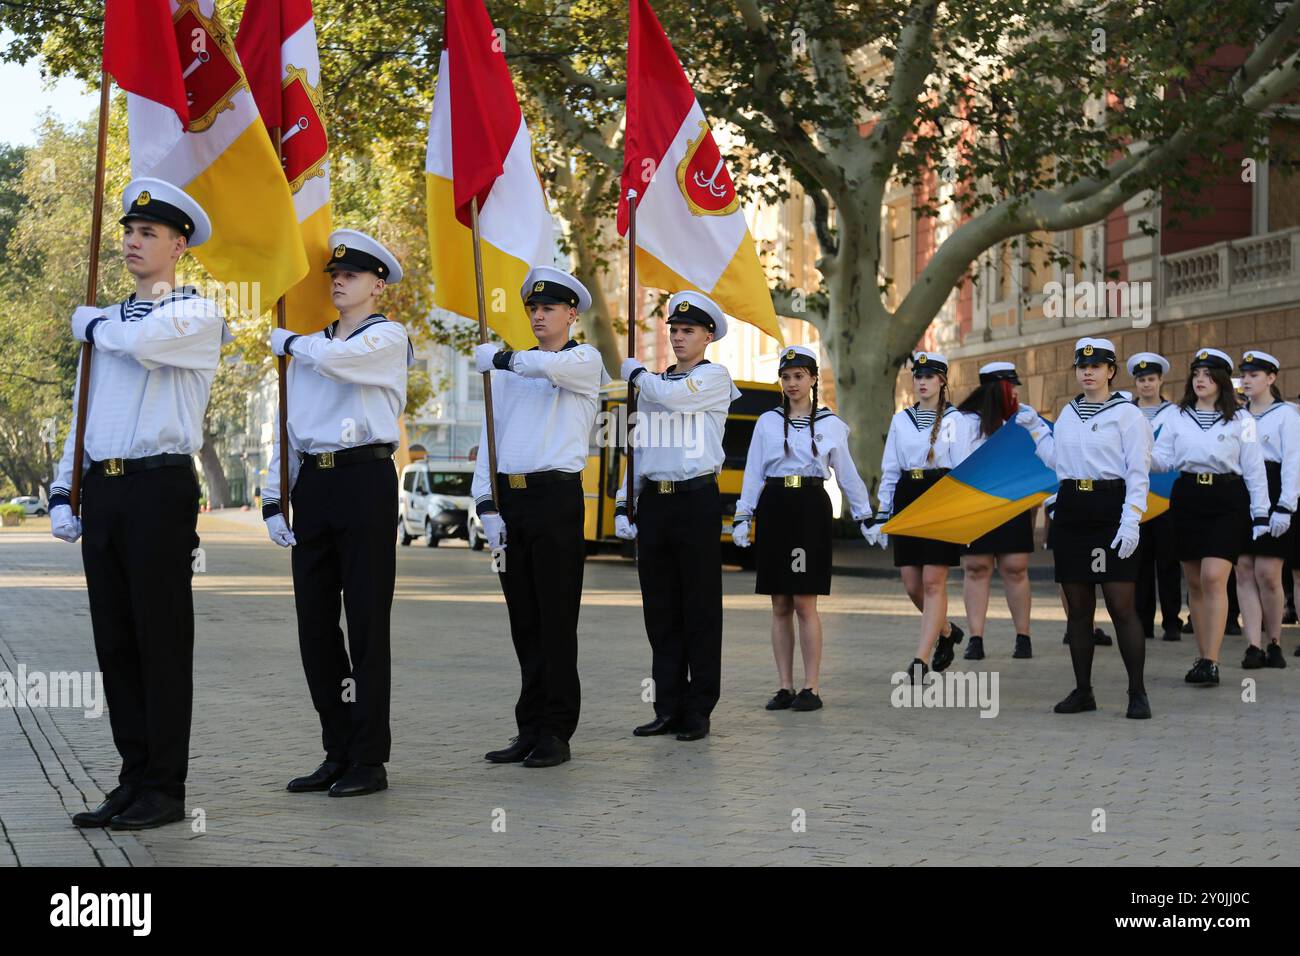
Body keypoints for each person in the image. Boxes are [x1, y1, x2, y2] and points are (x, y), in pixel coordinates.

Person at [51, 178, 225, 829]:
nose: (132, 240)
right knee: (116, 642)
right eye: (128, 231)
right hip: (107, 487)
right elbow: (84, 408)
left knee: (160, 638)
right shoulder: (104, 324)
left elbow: (148, 344)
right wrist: (64, 488)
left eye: (148, 232)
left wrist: (93, 323)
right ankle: (132, 778)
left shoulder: (199, 315)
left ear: (179, 245)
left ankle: (166, 787)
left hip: (159, 487)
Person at [262, 230, 411, 798]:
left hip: (365, 480)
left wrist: (291, 344)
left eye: (351, 274)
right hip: (316, 487)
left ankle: (370, 759)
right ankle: (337, 748)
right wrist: (276, 496)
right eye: (334, 274)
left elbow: (345, 363)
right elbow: (290, 426)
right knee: (316, 626)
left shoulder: (387, 337)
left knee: (368, 624)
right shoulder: (308, 346)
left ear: (378, 284)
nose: (339, 280)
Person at [474, 267, 608, 768]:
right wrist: (486, 504)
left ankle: (556, 730)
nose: (538, 315)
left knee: (555, 621)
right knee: (524, 623)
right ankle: (528, 727)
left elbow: (552, 369)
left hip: (555, 500)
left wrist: (505, 358)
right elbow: (492, 436)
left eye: (548, 308)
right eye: (532, 308)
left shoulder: (584, 360)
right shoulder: (513, 373)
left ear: (571, 314)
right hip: (515, 501)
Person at [614, 291, 740, 741]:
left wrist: (639, 376)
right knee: (661, 610)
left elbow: (676, 400)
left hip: (695, 500)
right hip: (658, 503)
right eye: (674, 330)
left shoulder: (714, 378)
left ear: (709, 336)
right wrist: (624, 500)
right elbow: (640, 446)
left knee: (699, 608)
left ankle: (699, 708)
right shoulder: (656, 383)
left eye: (688, 330)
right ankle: (667, 705)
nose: (679, 336)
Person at [733, 345, 874, 709]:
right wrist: (743, 514)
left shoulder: (831, 425)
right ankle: (785, 685)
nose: (792, 383)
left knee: (804, 601)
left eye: (799, 376)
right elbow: (753, 471)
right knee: (779, 601)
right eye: (786, 377)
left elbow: (848, 475)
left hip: (809, 506)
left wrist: (865, 516)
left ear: (813, 379)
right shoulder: (766, 422)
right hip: (775, 504)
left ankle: (811, 687)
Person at [1022, 337, 1153, 718]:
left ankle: (1137, 692)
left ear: (1111, 371)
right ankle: (1083, 691)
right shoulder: (1069, 412)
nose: (1088, 373)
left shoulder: (1127, 415)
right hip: (1073, 509)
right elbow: (1057, 461)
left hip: (1111, 508)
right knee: (1078, 608)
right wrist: (1035, 429)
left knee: (1120, 604)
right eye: (1082, 367)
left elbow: (1138, 472)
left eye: (1096, 367)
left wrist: (1132, 520)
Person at [1151, 348, 1271, 687]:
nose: (1200, 380)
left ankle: (1212, 660)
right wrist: (1138, 451)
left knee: (1214, 576)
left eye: (1207, 374)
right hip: (1188, 495)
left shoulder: (1242, 419)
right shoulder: (1176, 415)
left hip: (1227, 499)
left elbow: (1254, 468)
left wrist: (1260, 512)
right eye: (1196, 374)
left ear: (1221, 379)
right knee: (1194, 582)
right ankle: (1202, 656)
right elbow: (1163, 459)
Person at [866, 351, 969, 682]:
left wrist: (965, 513)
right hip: (908, 498)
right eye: (918, 377)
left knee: (932, 581)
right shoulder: (901, 420)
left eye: (929, 376)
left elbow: (965, 469)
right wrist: (883, 513)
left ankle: (920, 659)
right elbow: (891, 468)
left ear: (942, 380)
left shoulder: (956, 420)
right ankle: (948, 631)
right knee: (912, 583)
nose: (922, 382)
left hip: (942, 497)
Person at [956, 362, 1037, 661]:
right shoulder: (963, 421)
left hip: (1011, 500)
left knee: (1015, 567)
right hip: (976, 502)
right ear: (997, 389)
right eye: (1011, 387)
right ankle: (975, 638)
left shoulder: (1023, 418)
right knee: (976, 567)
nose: (1016, 392)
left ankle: (1023, 636)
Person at [1232, 351, 1297, 669]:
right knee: (1243, 569)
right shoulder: (1237, 415)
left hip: (1274, 490)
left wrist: (1286, 505)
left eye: (1254, 375)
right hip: (1241, 490)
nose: (1246, 380)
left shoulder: (1287, 415)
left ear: (1271, 378)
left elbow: (1294, 462)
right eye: (1244, 375)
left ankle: (1274, 640)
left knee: (1268, 573)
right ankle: (1253, 645)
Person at [1127, 352, 1184, 641]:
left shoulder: (1174, 414)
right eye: (1141, 380)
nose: (1146, 384)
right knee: (1139, 561)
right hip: (1135, 496)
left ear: (1161, 380)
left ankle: (1172, 620)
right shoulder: (1126, 411)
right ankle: (1143, 621)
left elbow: (1176, 453)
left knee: (1168, 560)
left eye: (1151, 379)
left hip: (1166, 496)